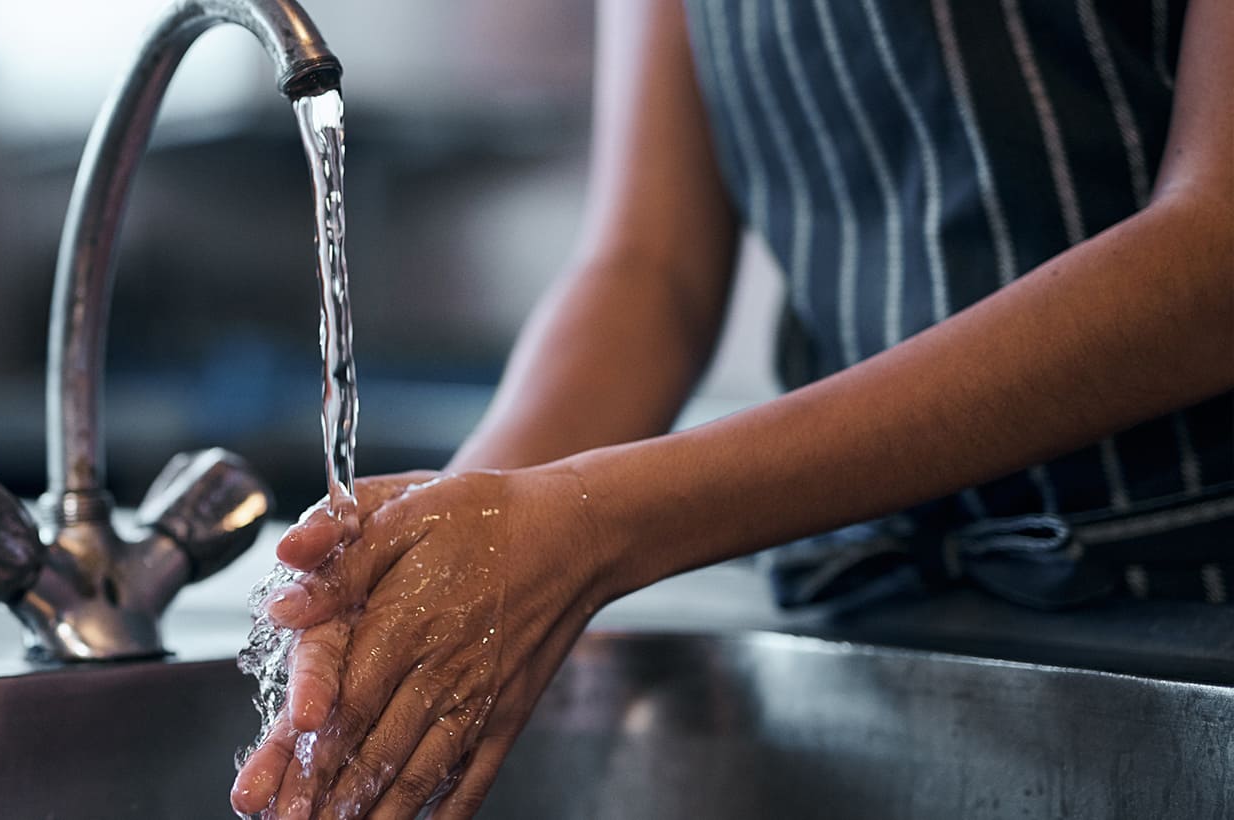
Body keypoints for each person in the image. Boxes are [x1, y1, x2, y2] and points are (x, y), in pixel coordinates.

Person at [231, 0, 1233, 817]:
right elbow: (648, 271)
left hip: (1190, 608)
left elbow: (1213, 260)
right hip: (872, 613)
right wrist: (434, 553)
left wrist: (593, 518)